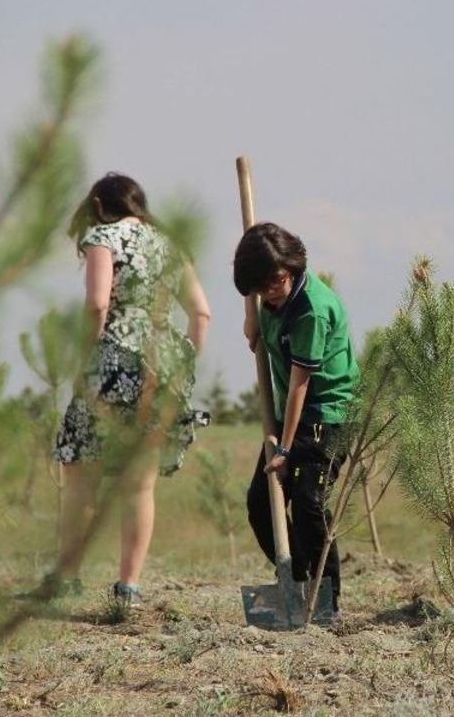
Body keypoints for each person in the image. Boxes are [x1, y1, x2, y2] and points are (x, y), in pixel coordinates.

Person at [53, 173, 212, 607]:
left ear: (99, 206)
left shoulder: (103, 237)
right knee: (140, 485)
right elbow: (201, 314)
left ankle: (67, 578)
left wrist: (87, 359)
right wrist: (183, 366)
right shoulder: (172, 244)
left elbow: (97, 304)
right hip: (161, 369)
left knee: (81, 474)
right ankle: (129, 587)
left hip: (110, 365)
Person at [234, 222, 359, 611]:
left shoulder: (311, 310)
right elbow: (256, 300)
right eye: (261, 287)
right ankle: (296, 577)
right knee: (261, 503)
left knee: (308, 502)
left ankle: (326, 598)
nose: (271, 291)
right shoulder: (266, 296)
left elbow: (300, 385)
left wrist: (286, 449)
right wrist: (252, 315)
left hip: (326, 413)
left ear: (292, 266)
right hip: (289, 412)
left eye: (277, 281)